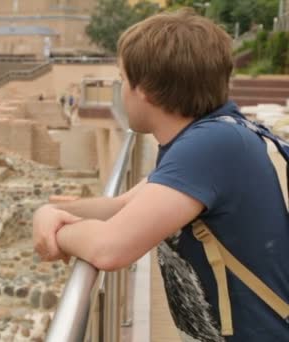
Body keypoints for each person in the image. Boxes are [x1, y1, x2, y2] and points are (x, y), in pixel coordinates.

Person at [33, 9, 289, 341]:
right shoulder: (210, 135)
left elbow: (110, 249)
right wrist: (47, 212)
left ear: (148, 91)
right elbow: (123, 206)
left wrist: (59, 233)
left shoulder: (210, 147)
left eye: (123, 78)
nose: (120, 89)